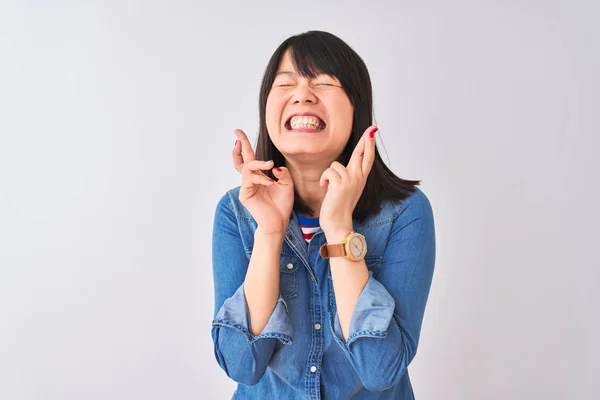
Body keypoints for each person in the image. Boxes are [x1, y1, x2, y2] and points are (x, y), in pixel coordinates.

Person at [211, 30, 436, 399]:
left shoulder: (406, 212)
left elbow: (381, 369)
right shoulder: (236, 212)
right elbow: (242, 365)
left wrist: (338, 229)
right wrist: (269, 234)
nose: (303, 94)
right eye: (286, 84)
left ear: (356, 107)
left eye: (324, 82)